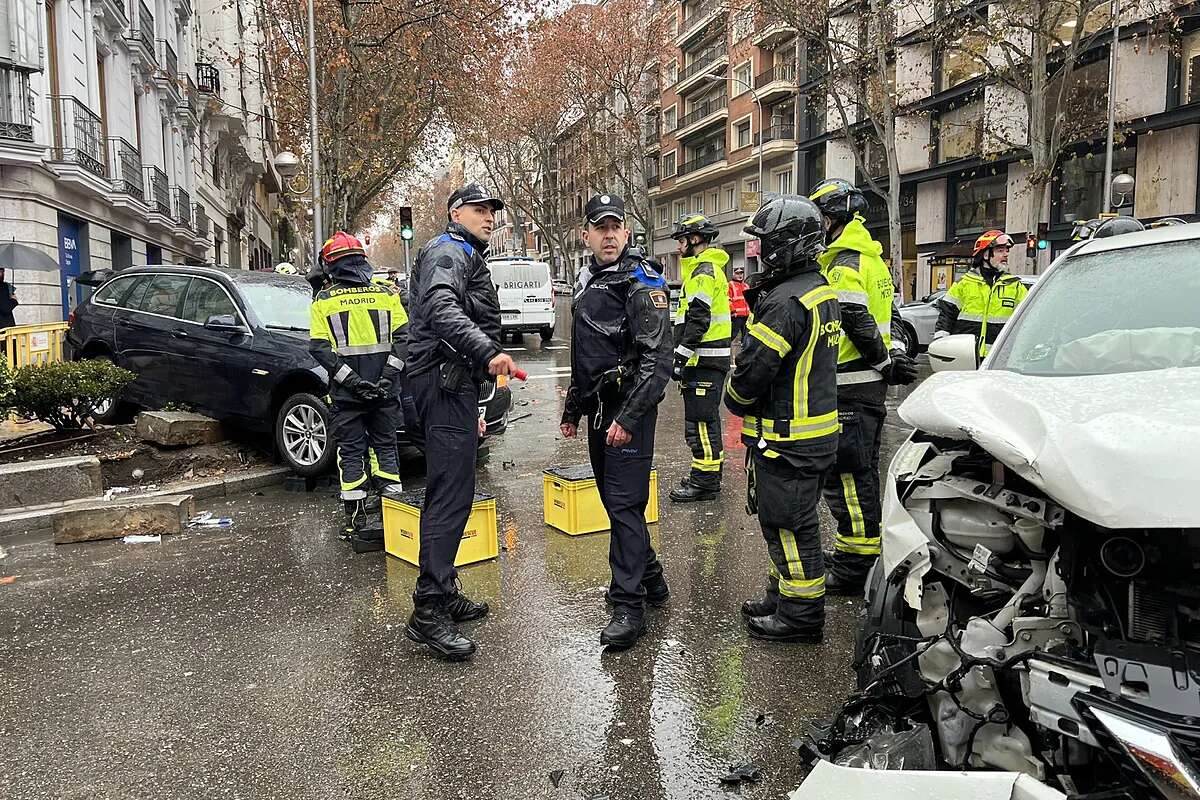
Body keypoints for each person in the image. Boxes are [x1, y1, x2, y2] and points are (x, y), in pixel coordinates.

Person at [404, 183, 518, 662]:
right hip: (443, 385)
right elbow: (440, 308)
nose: (488, 217)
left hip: (453, 388)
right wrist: (489, 351)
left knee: (452, 492)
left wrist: (473, 402)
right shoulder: (449, 251)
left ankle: (443, 589)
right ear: (455, 213)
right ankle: (428, 611)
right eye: (478, 210)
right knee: (450, 498)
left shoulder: (463, 252)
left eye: (492, 211)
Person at [725, 195, 841, 643]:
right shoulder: (817, 288)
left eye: (766, 244)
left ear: (788, 245)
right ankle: (782, 595)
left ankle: (801, 613)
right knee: (782, 521)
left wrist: (734, 396)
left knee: (791, 526)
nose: (758, 253)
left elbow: (752, 376)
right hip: (810, 437)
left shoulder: (786, 302)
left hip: (787, 439)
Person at [561, 193, 673, 650]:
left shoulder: (641, 282)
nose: (609, 235)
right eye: (599, 227)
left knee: (625, 506)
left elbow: (657, 360)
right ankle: (652, 579)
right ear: (585, 234)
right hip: (600, 412)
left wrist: (628, 418)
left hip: (628, 413)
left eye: (616, 226)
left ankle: (630, 605)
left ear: (626, 232)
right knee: (615, 503)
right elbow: (585, 354)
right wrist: (573, 406)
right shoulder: (590, 279)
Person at [808, 178, 919, 595]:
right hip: (864, 385)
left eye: (818, 217)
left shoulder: (846, 261)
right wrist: (890, 359)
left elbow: (855, 317)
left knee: (849, 480)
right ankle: (857, 555)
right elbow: (889, 316)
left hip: (851, 386)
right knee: (858, 475)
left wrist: (884, 361)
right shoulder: (870, 257)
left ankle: (857, 568)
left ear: (831, 216)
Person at [309, 231, 408, 554]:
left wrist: (353, 382)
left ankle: (355, 521)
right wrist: (385, 379)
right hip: (385, 392)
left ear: (331, 266)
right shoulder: (387, 295)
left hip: (347, 396)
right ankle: (395, 517)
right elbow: (404, 340)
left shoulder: (324, 301)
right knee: (387, 452)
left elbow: (320, 349)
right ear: (363, 261)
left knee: (351, 454)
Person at [669, 214, 732, 503]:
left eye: (681, 240)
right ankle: (704, 475)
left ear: (695, 240)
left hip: (704, 360)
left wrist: (680, 356)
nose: (678, 246)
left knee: (702, 423)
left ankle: (705, 483)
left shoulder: (703, 271)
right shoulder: (701, 269)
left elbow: (698, 318)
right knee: (701, 422)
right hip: (705, 359)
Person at [934, 229, 1028, 357]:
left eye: (1007, 250)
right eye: (1000, 250)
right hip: (965, 357)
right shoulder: (964, 284)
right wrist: (941, 347)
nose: (1006, 254)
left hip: (997, 360)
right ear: (985, 255)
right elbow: (946, 316)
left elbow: (1027, 320)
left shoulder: (1015, 286)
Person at [728, 266, 750, 347]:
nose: (740, 275)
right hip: (737, 315)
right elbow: (728, 299)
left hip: (746, 314)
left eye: (741, 273)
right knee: (733, 333)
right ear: (733, 274)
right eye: (737, 273)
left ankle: (744, 349)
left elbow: (749, 300)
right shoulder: (731, 284)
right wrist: (732, 311)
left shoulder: (746, 286)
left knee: (746, 334)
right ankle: (727, 348)